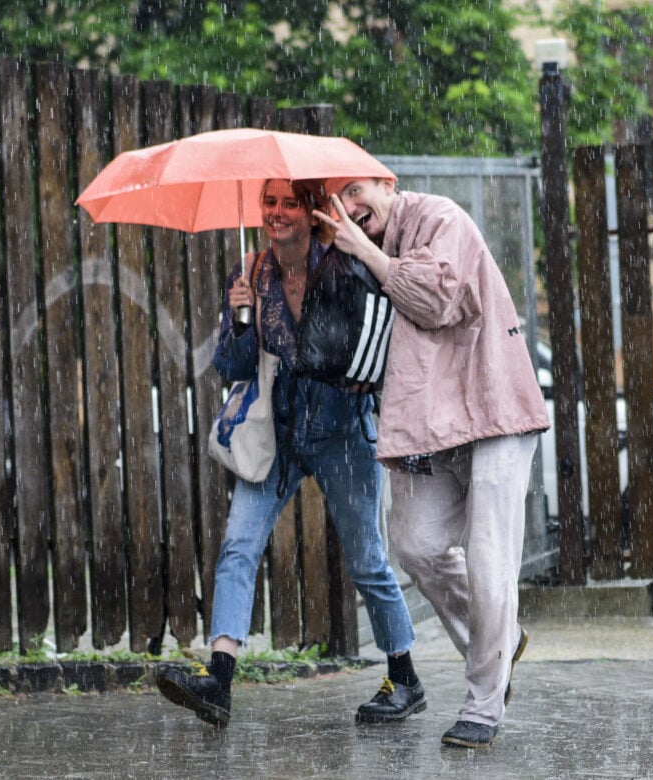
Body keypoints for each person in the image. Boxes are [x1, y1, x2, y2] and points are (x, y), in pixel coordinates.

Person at [156, 178, 422, 729]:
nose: (277, 214)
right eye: (269, 202)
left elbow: (375, 346)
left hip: (342, 431)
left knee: (367, 560)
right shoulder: (251, 272)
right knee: (238, 547)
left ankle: (405, 677)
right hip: (275, 435)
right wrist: (241, 319)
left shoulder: (344, 262)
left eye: (289, 203)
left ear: (310, 210)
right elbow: (230, 369)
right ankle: (219, 682)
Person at [314, 176, 550, 749]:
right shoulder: (349, 252)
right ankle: (499, 637)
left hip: (493, 408)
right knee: (415, 543)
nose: (348, 207)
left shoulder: (440, 217)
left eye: (355, 190)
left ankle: (484, 703)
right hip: (430, 426)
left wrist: (365, 253)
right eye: (336, 200)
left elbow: (438, 299)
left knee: (489, 558)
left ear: (386, 183)